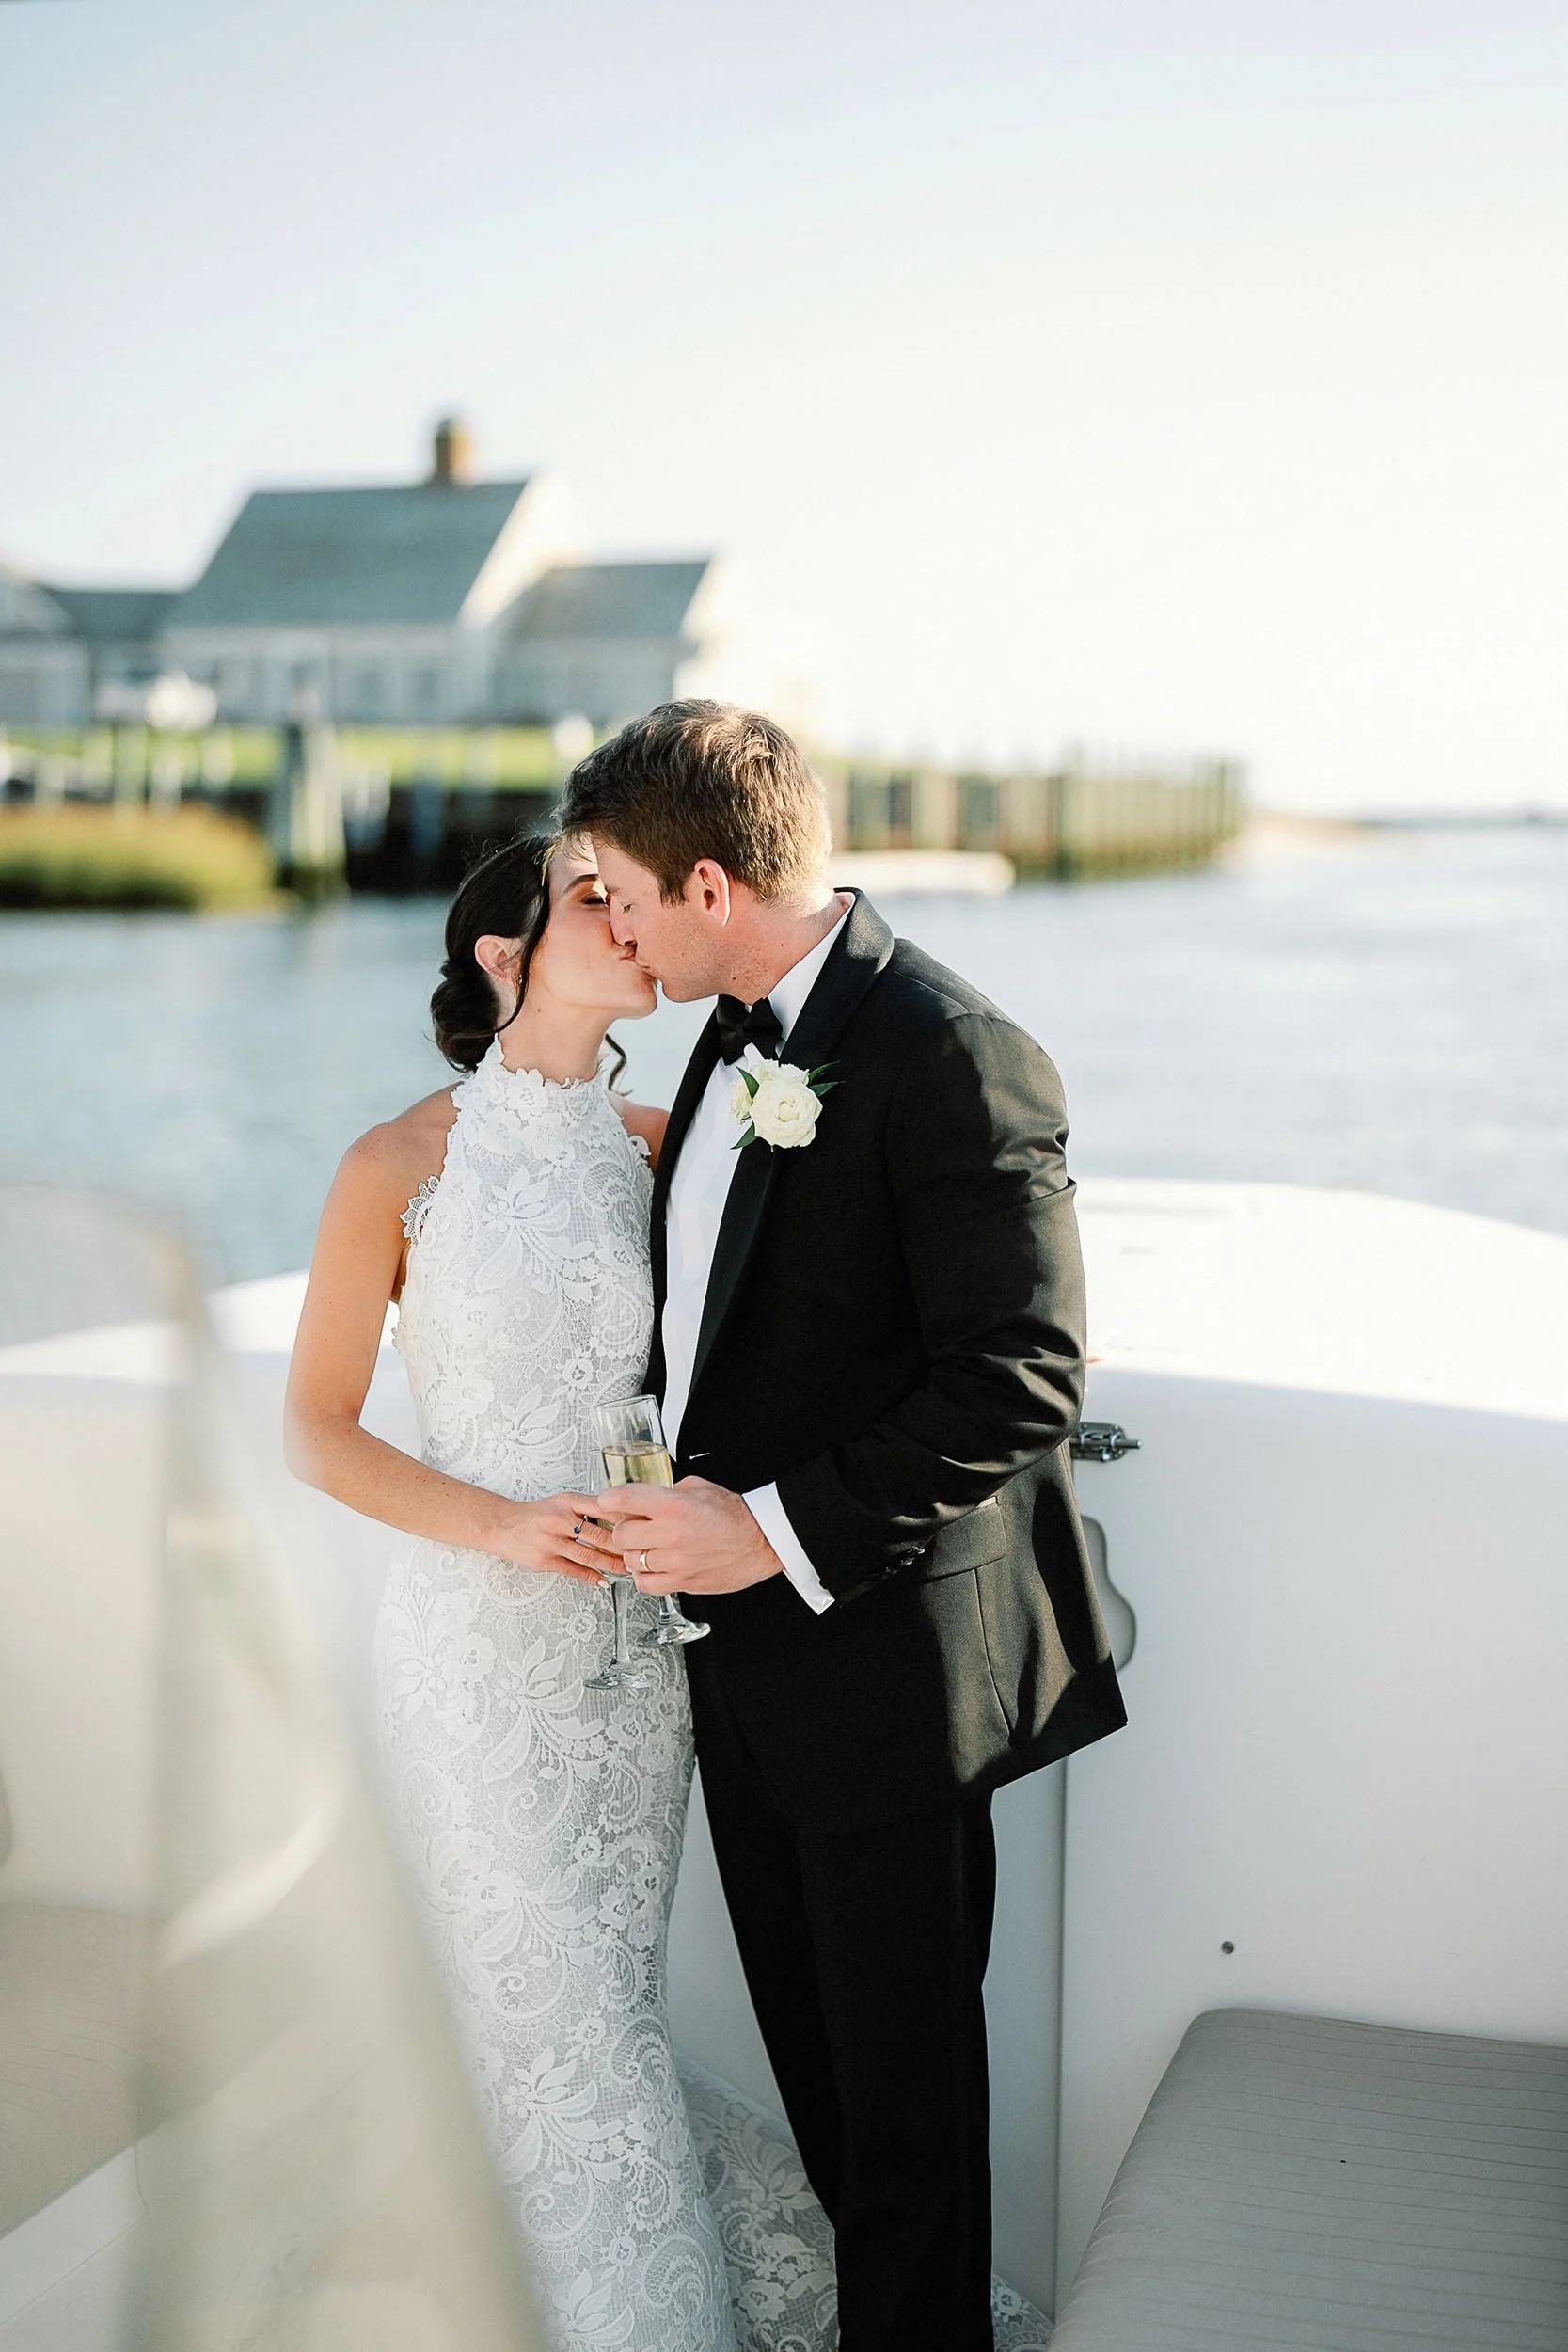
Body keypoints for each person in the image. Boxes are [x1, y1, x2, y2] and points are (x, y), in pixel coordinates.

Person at [560, 702, 1128, 2352]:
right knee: (828, 2106)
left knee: (906, 2137)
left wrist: (772, 1534)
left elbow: (1020, 1377)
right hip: (740, 1679)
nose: (610, 923)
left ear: (713, 883)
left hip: (883, 1678)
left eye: (623, 897)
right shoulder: (727, 1038)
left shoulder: (950, 1052)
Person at [284, 834, 738, 2352]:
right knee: (535, 2013)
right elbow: (317, 1429)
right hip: (473, 1660)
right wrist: (499, 1526)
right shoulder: (397, 1164)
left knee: (594, 2022)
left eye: (636, 898)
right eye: (590, 902)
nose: (629, 921)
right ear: (504, 957)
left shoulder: (676, 1145)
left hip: (635, 1663)